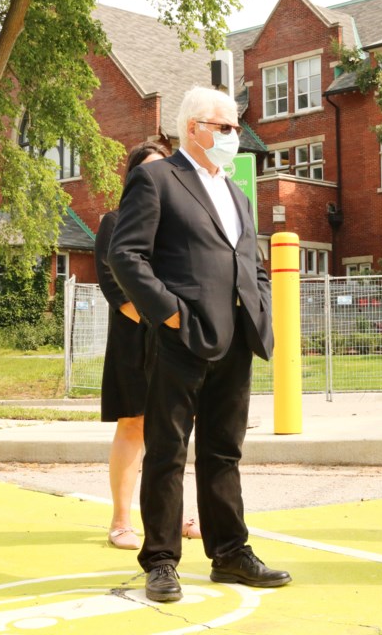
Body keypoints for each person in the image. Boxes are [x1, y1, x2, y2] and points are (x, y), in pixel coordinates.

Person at [109, 86, 290, 602]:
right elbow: (127, 255)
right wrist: (169, 315)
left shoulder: (237, 194)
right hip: (179, 340)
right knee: (166, 452)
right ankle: (162, 561)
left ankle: (230, 553)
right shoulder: (157, 178)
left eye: (235, 127)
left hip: (236, 340)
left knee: (223, 451)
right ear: (195, 128)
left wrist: (260, 306)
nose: (236, 136)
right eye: (226, 127)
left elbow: (249, 263)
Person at [94, 141, 201, 550]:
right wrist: (160, 319)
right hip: (135, 339)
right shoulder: (115, 220)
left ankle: (180, 516)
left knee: (176, 430)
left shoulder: (183, 223)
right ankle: (121, 520)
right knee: (134, 424)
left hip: (175, 336)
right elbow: (113, 283)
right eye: (151, 170)